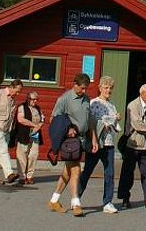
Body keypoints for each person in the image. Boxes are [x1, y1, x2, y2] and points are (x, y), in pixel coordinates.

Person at [48, 72, 98, 217]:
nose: (84, 91)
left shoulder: (86, 99)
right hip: (69, 141)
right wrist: (67, 129)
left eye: (86, 88)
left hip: (82, 140)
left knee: (68, 171)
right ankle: (76, 203)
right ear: (74, 84)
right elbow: (54, 120)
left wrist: (93, 139)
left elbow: (89, 122)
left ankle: (54, 200)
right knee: (76, 170)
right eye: (82, 88)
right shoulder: (64, 99)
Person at [116, 83, 146, 209]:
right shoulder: (133, 106)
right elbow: (138, 126)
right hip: (133, 144)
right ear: (142, 93)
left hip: (145, 145)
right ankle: (125, 198)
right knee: (128, 173)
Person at [78, 76, 121, 214]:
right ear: (100, 88)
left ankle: (107, 202)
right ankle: (76, 197)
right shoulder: (94, 103)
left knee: (109, 173)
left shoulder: (112, 105)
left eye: (110, 88)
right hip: (96, 143)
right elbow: (92, 122)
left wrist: (115, 120)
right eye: (106, 87)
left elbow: (114, 126)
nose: (108, 90)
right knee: (87, 171)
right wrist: (109, 121)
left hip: (109, 143)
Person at [0, 78, 23, 185]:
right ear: (12, 87)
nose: (18, 93)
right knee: (3, 150)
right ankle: (9, 174)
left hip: (6, 130)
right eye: (17, 90)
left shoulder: (13, 100)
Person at [15, 90, 44, 184]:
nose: (35, 101)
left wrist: (40, 124)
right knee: (22, 155)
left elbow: (42, 118)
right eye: (33, 99)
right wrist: (33, 125)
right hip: (23, 134)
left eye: (36, 99)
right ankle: (22, 176)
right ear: (28, 99)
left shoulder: (38, 108)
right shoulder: (22, 107)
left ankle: (29, 176)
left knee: (33, 155)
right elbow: (21, 119)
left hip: (35, 135)